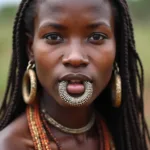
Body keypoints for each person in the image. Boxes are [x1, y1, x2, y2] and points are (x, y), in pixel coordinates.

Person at [0, 0, 149, 149]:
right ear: (31, 48)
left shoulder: (122, 136)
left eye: (96, 37)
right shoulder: (11, 145)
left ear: (117, 47)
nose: (75, 57)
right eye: (53, 37)